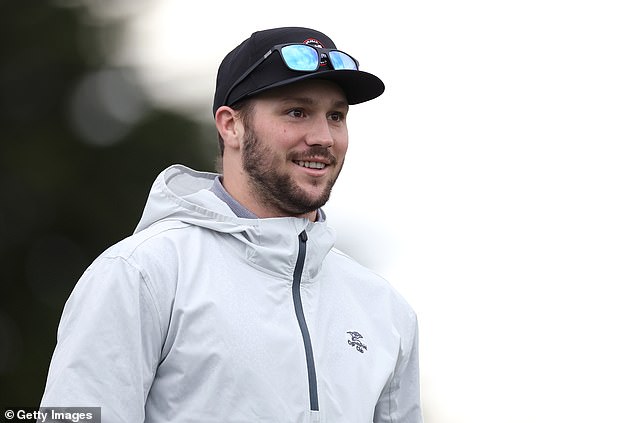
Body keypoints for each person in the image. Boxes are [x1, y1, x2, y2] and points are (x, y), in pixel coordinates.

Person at [40, 26, 423, 422]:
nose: (324, 137)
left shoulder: (385, 311)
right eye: (297, 112)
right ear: (230, 125)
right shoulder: (141, 274)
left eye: (336, 116)